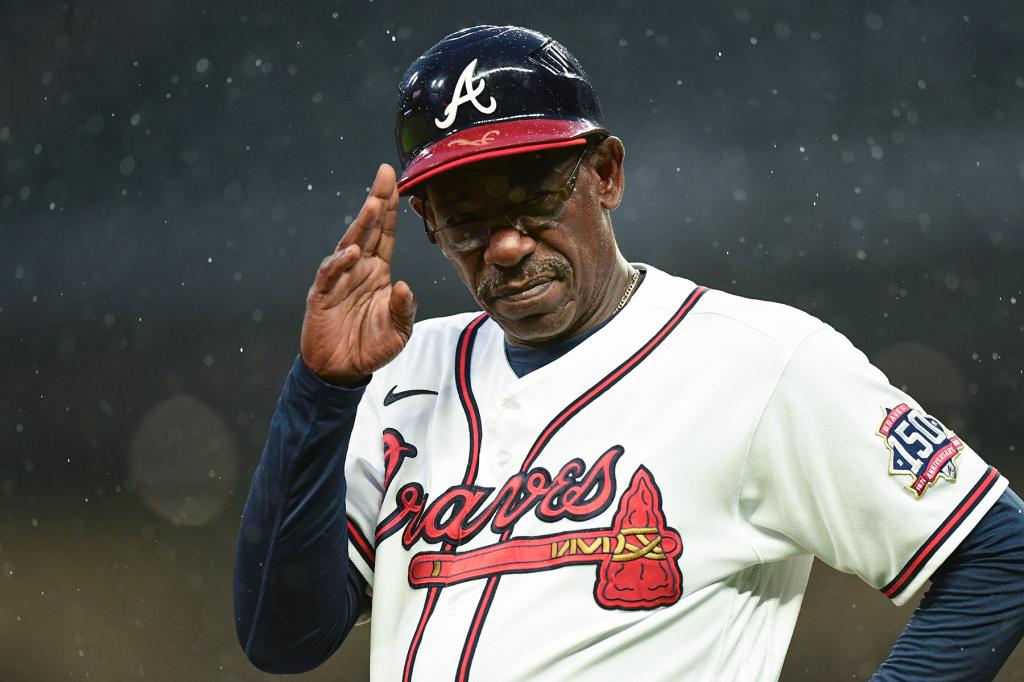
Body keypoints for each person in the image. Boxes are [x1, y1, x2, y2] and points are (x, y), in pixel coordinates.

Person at [233, 25, 1024, 681]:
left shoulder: (761, 360)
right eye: (465, 215)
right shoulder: (401, 371)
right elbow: (283, 637)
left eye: (534, 194)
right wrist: (320, 393)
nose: (505, 244)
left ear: (605, 174)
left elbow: (998, 552)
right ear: (432, 229)